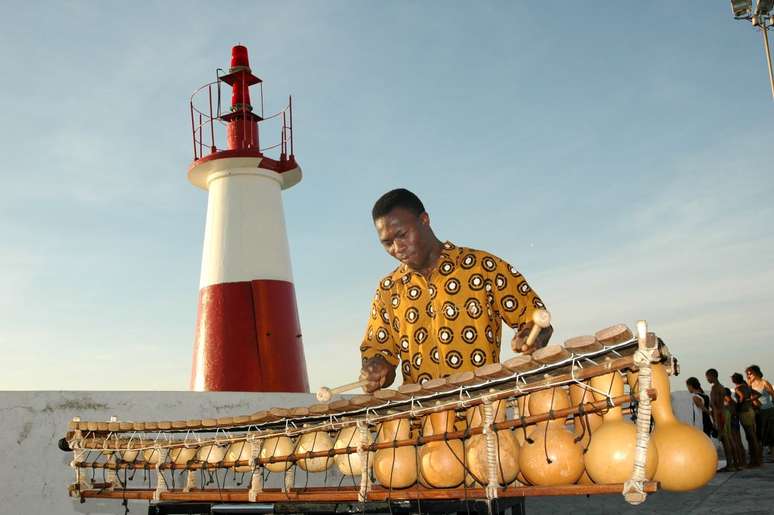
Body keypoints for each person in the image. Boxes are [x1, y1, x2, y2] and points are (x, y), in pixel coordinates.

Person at [359, 189, 553, 392]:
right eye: (387, 243)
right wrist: (376, 371)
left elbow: (539, 320)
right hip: (422, 418)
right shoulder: (388, 290)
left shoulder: (482, 266)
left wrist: (534, 335)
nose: (397, 248)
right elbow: (381, 360)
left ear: (424, 220)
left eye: (402, 235)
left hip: (481, 409)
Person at [706, 368, 744, 471]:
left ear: (712, 376)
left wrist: (715, 420)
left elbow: (715, 405)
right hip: (725, 413)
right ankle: (737, 463)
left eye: (708, 377)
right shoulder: (722, 387)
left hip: (720, 415)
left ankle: (730, 465)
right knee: (731, 439)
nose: (707, 379)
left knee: (726, 440)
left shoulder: (715, 388)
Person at [731, 372, 762, 467]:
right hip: (750, 410)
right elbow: (758, 394)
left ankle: (755, 461)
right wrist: (750, 401)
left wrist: (738, 406)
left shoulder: (738, 388)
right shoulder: (747, 386)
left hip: (744, 412)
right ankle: (757, 459)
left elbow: (741, 397)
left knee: (750, 437)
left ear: (734, 380)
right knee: (753, 436)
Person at [746, 365, 774, 462]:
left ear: (756, 373)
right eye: (747, 374)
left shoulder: (764, 382)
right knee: (759, 433)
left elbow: (773, 395)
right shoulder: (749, 385)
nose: (749, 376)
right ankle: (760, 456)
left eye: (750, 374)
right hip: (757, 411)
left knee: (770, 432)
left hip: (768, 410)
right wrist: (749, 385)